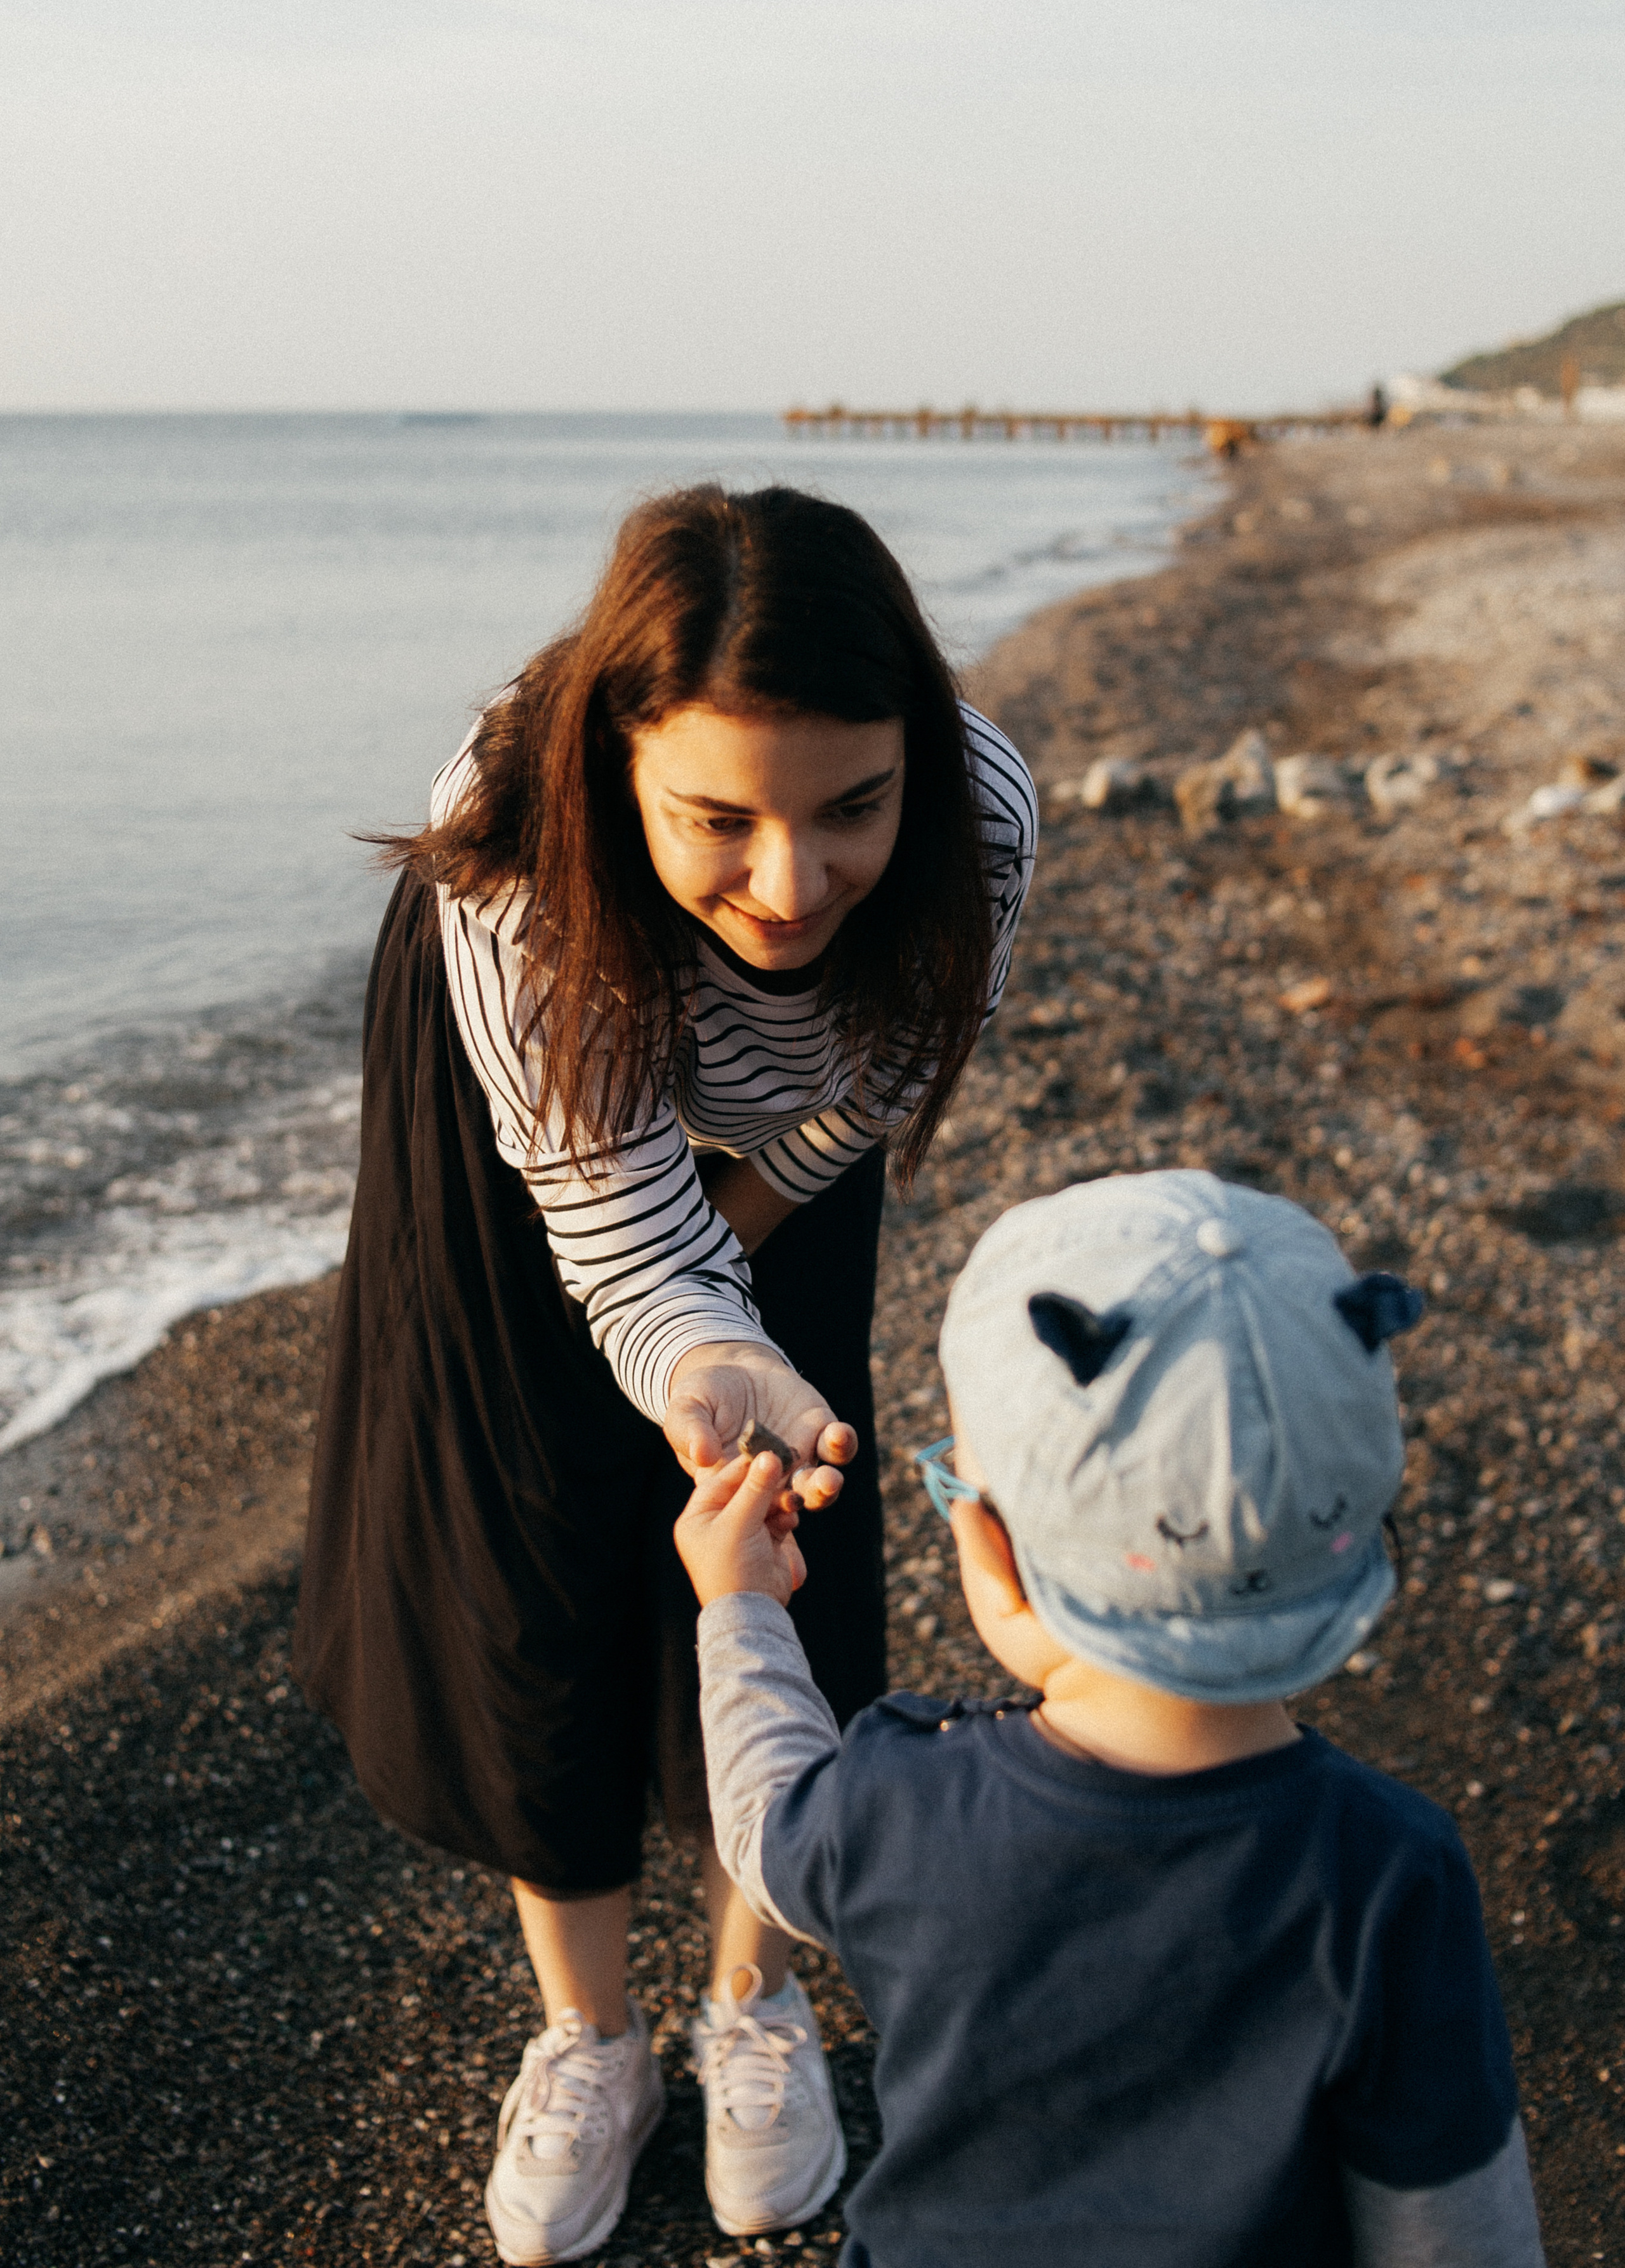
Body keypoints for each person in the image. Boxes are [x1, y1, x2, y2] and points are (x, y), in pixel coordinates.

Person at [292, 482, 1038, 2263]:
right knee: (522, 1539)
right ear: (622, 773)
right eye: (720, 819)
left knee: (784, 1521)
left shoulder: (982, 811)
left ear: (913, 765)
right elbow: (621, 1231)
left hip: (780, 1130)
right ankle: (594, 2036)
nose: (792, 884)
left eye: (853, 809)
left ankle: (753, 1997)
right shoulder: (514, 839)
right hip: (539, 1118)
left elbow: (898, 1051)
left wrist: (764, 1206)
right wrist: (698, 1326)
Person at [677, 1168, 1547, 2268]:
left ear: (992, 1549)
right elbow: (1451, 2232)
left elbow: (762, 1830)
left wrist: (740, 1608)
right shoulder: (1391, 1869)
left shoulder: (904, 1802)